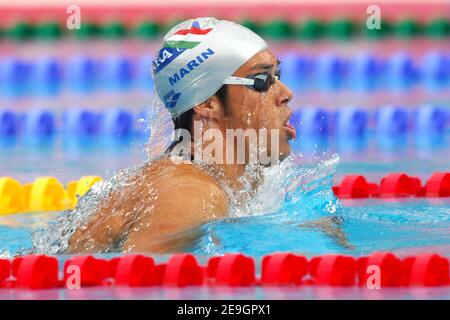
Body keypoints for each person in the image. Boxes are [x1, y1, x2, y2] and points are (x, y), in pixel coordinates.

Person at [67, 17, 345, 254]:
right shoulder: (190, 194)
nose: (286, 94)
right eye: (262, 81)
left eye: (279, 75)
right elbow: (136, 285)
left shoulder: (233, 182)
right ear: (207, 103)